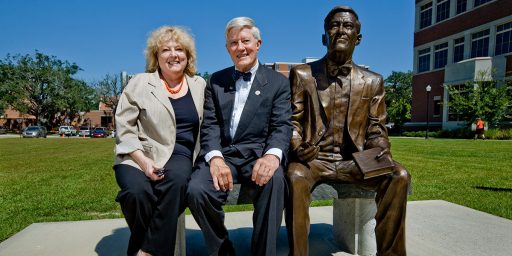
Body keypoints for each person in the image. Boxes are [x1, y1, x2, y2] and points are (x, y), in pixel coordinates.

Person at [285, 6, 411, 256]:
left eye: (348, 26)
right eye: (334, 25)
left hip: (355, 161)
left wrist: (380, 148)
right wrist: (297, 145)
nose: (340, 30)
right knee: (295, 177)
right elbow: (292, 121)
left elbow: (377, 127)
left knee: (399, 175)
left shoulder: (373, 81)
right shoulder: (302, 75)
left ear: (358, 38)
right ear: (324, 36)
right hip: (314, 160)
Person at [187, 17, 292, 256]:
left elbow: (282, 126)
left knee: (275, 180)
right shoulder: (215, 81)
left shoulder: (277, 82)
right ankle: (223, 249)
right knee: (196, 189)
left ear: (258, 44)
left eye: (245, 41)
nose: (240, 47)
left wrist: (272, 157)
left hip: (258, 155)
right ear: (227, 49)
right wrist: (214, 159)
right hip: (223, 155)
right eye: (233, 43)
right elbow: (210, 126)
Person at [113, 26, 206, 256]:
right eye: (165, 49)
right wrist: (144, 162)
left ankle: (145, 252)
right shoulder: (140, 82)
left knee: (176, 182)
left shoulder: (199, 85)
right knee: (136, 194)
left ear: (188, 55)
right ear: (156, 56)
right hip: (138, 154)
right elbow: (124, 127)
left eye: (179, 49)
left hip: (181, 154)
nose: (173, 54)